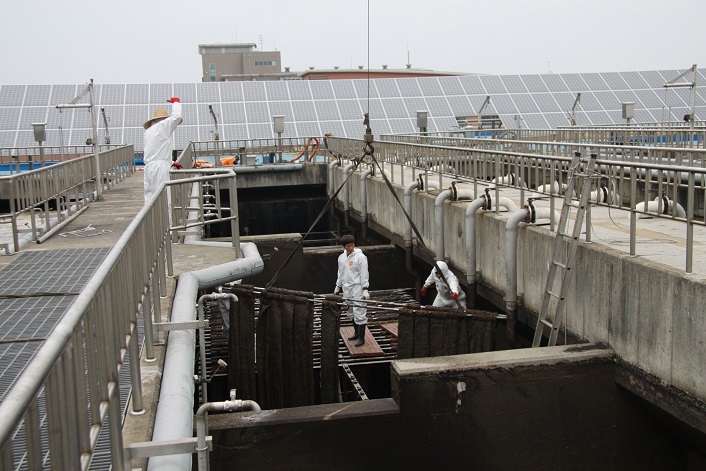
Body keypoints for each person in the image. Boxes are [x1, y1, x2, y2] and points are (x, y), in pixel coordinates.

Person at [143, 97, 183, 208]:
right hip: (159, 167)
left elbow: (156, 150)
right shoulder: (163, 126)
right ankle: (166, 225)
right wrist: (176, 103)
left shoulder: (148, 132)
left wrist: (171, 162)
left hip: (148, 167)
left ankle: (151, 224)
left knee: (150, 199)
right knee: (164, 199)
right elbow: (176, 117)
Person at [334, 234, 370, 346]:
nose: (350, 247)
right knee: (350, 310)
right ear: (344, 247)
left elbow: (364, 273)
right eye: (348, 246)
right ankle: (355, 332)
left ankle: (361, 337)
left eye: (352, 245)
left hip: (357, 287)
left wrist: (365, 288)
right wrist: (338, 286)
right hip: (346, 287)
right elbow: (340, 272)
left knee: (359, 311)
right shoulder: (341, 258)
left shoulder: (360, 257)